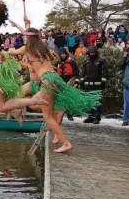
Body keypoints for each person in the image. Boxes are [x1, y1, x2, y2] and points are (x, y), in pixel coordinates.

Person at [8, 19, 102, 153]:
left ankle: (65, 142)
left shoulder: (27, 49)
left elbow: (11, 53)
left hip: (46, 81)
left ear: (28, 38)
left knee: (47, 116)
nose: (24, 37)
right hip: (54, 78)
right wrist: (17, 26)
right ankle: (58, 112)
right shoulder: (43, 47)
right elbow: (28, 34)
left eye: (25, 36)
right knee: (34, 104)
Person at [80, 46, 108, 124]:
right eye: (90, 52)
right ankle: (90, 116)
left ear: (96, 52)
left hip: (97, 84)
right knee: (88, 101)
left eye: (93, 52)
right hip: (87, 84)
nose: (92, 53)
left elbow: (105, 72)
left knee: (96, 101)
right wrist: (81, 81)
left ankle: (97, 117)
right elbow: (83, 73)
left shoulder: (101, 61)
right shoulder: (86, 61)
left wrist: (103, 82)